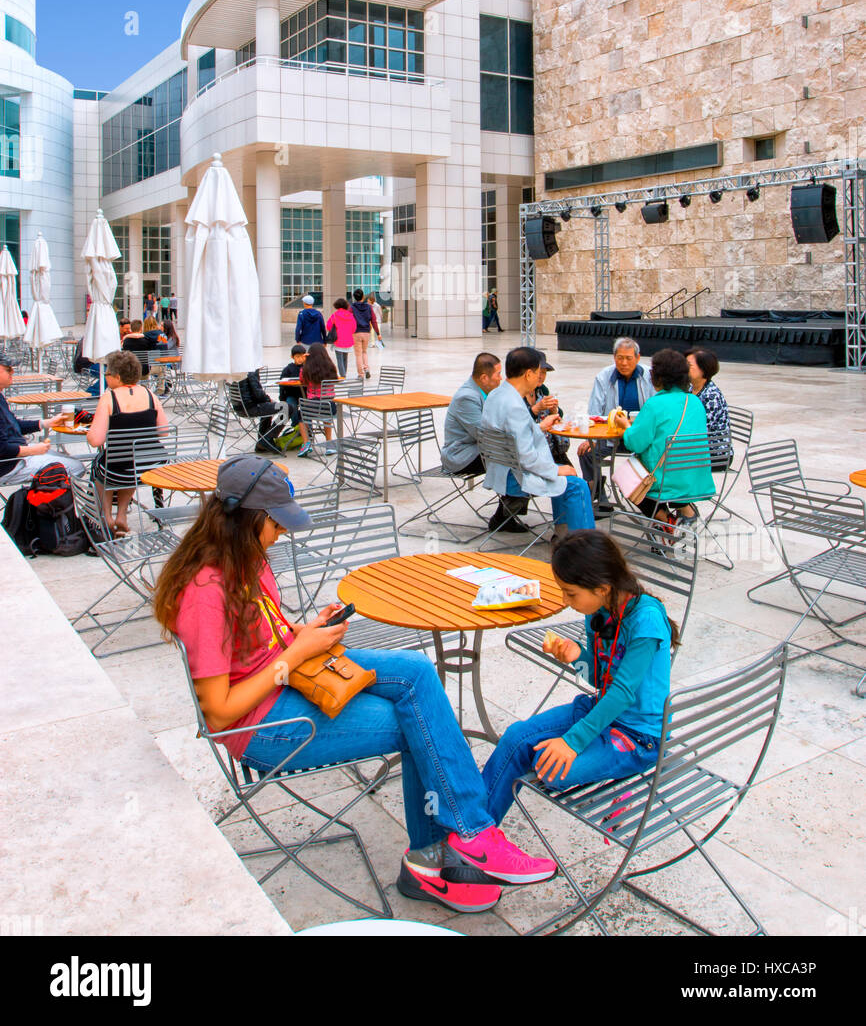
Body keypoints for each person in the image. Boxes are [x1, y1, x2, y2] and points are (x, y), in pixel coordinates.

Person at [153, 456, 558, 914]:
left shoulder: (247, 558)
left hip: (288, 675)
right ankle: (453, 849)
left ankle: (462, 840)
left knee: (417, 672)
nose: (282, 532)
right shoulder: (206, 591)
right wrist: (294, 655)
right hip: (262, 725)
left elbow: (262, 639)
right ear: (250, 520)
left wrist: (302, 633)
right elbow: (218, 714)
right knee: (417, 724)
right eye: (276, 523)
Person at [480, 530, 675, 822]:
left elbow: (622, 693)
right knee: (516, 738)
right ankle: (475, 830)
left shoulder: (646, 620)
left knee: (550, 768)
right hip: (602, 711)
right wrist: (578, 657)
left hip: (639, 736)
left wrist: (572, 741)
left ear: (602, 587)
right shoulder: (598, 612)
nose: (565, 600)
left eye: (570, 593)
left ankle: (618, 780)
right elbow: (600, 680)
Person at [480, 346, 594, 538]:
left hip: (500, 469)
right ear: (528, 374)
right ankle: (584, 546)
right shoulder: (515, 405)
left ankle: (564, 535)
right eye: (538, 372)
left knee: (566, 477)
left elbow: (514, 434)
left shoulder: (496, 395)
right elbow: (526, 457)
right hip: (515, 477)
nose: (540, 377)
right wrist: (556, 470)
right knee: (577, 485)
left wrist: (540, 426)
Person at [612, 348, 715, 525]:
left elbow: (634, 444)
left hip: (664, 480)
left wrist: (626, 426)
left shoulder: (654, 404)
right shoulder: (695, 402)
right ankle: (686, 511)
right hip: (695, 478)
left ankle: (665, 520)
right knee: (672, 471)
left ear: (657, 376)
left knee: (624, 477)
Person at [87, 349, 169, 533]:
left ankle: (106, 516)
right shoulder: (150, 395)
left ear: (117, 376)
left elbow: (95, 440)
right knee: (127, 459)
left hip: (119, 470)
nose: (106, 377)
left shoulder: (109, 398)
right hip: (151, 466)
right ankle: (121, 514)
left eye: (107, 373)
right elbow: (163, 432)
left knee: (101, 464)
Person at [579, 337, 656, 513]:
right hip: (611, 437)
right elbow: (594, 413)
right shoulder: (604, 377)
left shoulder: (650, 376)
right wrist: (590, 439)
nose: (624, 362)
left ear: (638, 357)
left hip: (641, 439)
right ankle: (600, 498)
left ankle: (653, 503)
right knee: (586, 452)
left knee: (659, 455)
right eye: (620, 357)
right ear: (614, 357)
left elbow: (656, 411)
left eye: (629, 358)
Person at [0, 354, 86, 482]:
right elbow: (2, 449)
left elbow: (14, 424)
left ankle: (40, 497)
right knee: (76, 468)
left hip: (16, 457)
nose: (13, 371)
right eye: (8, 369)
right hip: (9, 465)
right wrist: (32, 450)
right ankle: (39, 500)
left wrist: (46, 423)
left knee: (71, 461)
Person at [441, 353, 502, 478]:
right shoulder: (467, 397)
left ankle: (514, 496)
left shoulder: (486, 392)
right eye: (498, 374)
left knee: (518, 453)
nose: (501, 378)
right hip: (461, 456)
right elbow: (486, 434)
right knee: (512, 457)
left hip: (479, 449)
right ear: (484, 378)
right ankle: (512, 497)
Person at [686, 347, 732, 468]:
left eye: (689, 365)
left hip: (716, 452)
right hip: (699, 447)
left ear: (703, 369)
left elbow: (699, 432)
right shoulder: (691, 389)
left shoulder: (711, 396)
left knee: (669, 459)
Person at [299, 343, 339, 453]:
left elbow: (303, 381)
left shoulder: (307, 369)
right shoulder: (331, 367)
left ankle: (306, 442)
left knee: (301, 413)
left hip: (313, 404)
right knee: (327, 416)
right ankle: (329, 443)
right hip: (330, 405)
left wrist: (304, 362)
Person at [236, 371, 285, 454]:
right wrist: (269, 400)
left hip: (240, 408)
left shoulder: (239, 369)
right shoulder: (251, 370)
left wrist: (268, 401)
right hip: (251, 407)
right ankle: (266, 439)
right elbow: (258, 394)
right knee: (287, 407)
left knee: (268, 407)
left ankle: (262, 443)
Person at [278, 345, 309, 454]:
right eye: (297, 356)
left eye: (302, 356)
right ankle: (297, 426)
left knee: (307, 409)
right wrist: (282, 398)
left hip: (305, 395)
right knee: (291, 406)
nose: (300, 359)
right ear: (292, 357)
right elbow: (282, 385)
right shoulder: (288, 369)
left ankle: (305, 427)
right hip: (292, 395)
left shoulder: (308, 367)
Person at [350, 288, 379, 379]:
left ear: (354, 297)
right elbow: (373, 320)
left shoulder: (352, 308)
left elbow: (348, 319)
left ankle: (360, 374)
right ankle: (366, 369)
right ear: (363, 296)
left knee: (358, 354)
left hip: (356, 333)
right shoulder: (369, 307)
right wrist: (378, 333)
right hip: (366, 332)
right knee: (364, 352)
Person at [325, 299, 356, 378]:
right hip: (348, 340)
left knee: (340, 359)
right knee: (345, 359)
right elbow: (354, 328)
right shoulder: (350, 315)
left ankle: (343, 376)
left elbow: (328, 326)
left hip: (338, 340)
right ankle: (344, 374)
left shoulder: (335, 315)